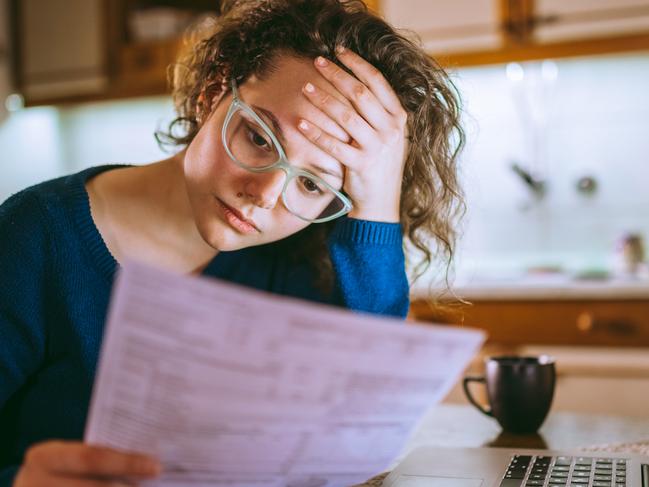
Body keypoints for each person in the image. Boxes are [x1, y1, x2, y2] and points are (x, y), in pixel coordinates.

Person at [0, 0, 464, 485]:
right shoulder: (34, 238)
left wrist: (377, 204)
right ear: (213, 90)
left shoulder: (296, 265)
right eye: (260, 138)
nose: (263, 196)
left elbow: (367, 417)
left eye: (312, 184)